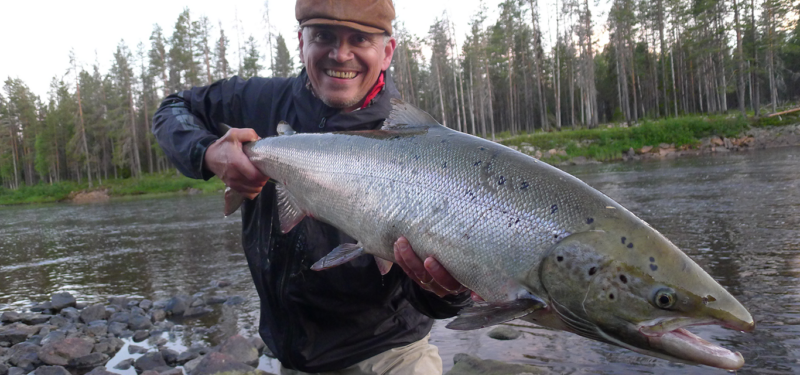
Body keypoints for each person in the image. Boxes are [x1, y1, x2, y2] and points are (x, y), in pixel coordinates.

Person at [152, 0, 473, 374]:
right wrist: (207, 152)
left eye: (359, 39)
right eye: (323, 36)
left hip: (391, 355)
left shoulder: (416, 144)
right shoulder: (257, 102)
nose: (341, 54)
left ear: (387, 52)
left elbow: (435, 304)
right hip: (296, 360)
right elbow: (172, 108)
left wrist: (450, 289)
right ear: (301, 42)